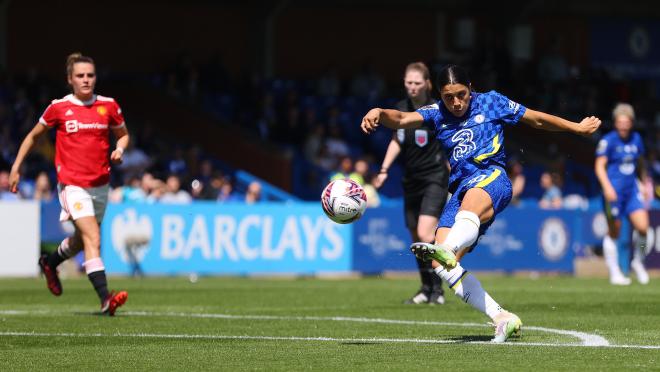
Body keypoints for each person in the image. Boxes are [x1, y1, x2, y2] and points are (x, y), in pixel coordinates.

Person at [360, 64, 601, 342]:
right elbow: (401, 118)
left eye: (461, 94)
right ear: (440, 95)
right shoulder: (437, 113)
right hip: (460, 190)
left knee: (451, 237)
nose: (456, 102)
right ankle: (502, 317)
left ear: (470, 88)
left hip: (492, 179)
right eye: (449, 97)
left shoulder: (492, 101)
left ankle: (448, 248)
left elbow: (534, 119)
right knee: (441, 266)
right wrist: (378, 112)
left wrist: (577, 127)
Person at [9, 53, 129, 315]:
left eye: (90, 75)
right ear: (70, 80)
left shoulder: (108, 106)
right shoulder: (59, 108)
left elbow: (123, 135)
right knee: (93, 238)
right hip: (72, 185)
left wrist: (119, 149)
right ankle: (105, 298)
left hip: (100, 185)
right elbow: (32, 137)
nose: (86, 80)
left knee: (80, 240)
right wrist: (16, 167)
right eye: (80, 76)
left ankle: (50, 263)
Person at [372, 62, 449, 305]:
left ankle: (438, 290)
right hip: (411, 179)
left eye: (417, 83)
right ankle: (426, 288)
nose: (412, 87)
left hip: (435, 177)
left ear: (427, 84)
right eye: (408, 82)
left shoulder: (437, 110)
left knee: (427, 233)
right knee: (416, 236)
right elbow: (397, 140)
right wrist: (384, 169)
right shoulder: (401, 109)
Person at [594, 103, 650, 285]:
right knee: (614, 232)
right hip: (614, 193)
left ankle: (638, 262)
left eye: (627, 122)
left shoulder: (636, 139)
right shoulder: (608, 141)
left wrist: (642, 183)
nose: (624, 126)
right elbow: (599, 166)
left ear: (631, 123)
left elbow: (640, 163)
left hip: (632, 191)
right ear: (616, 123)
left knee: (643, 228)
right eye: (620, 122)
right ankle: (614, 271)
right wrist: (607, 187)